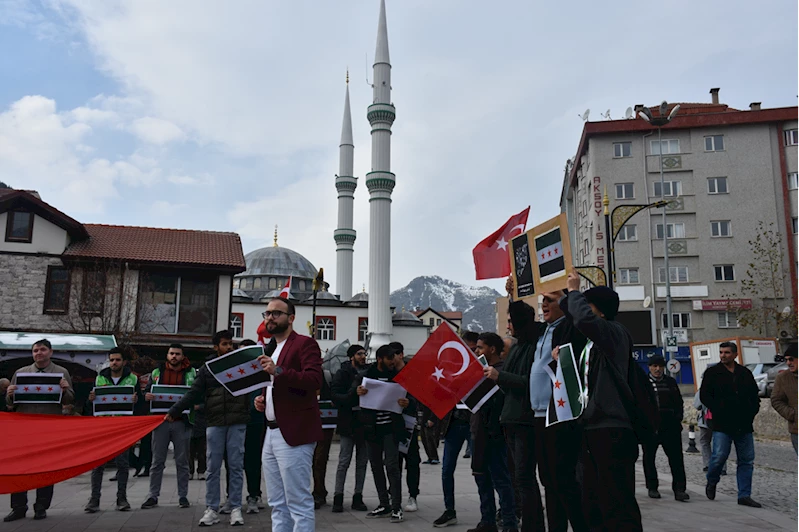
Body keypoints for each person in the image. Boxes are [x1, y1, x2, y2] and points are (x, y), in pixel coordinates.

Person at [558, 272, 642, 531]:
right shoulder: (593, 343)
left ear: (601, 312)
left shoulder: (615, 334)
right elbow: (575, 315)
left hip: (612, 428)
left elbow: (582, 317)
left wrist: (574, 291)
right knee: (593, 499)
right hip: (592, 427)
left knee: (617, 501)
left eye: (589, 306)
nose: (584, 314)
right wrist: (564, 293)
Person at [254, 297, 324, 532]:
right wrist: (264, 399)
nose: (270, 318)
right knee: (277, 503)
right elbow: (276, 384)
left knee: (298, 502)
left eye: (276, 313)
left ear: (291, 318)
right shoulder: (271, 348)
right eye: (267, 313)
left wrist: (278, 371)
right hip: (271, 431)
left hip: (295, 431)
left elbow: (314, 380)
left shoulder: (305, 344)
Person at [167, 330, 251, 527]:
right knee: (213, 467)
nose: (229, 347)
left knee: (236, 465)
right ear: (216, 347)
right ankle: (212, 508)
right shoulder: (208, 369)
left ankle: (236, 507)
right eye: (224, 344)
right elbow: (194, 392)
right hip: (214, 422)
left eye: (231, 343)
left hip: (237, 420)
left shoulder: (242, 365)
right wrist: (175, 410)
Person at [484, 297, 544, 532]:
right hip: (510, 420)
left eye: (510, 321)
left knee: (524, 479)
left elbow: (531, 383)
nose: (508, 326)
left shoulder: (535, 347)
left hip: (525, 420)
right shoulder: (518, 346)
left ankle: (532, 525)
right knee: (519, 479)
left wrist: (501, 378)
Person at [4, 339, 74, 522]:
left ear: (50, 352)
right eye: (35, 350)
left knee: (46, 467)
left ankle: (41, 505)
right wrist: (9, 395)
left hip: (49, 427)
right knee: (20, 467)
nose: (38, 353)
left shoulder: (61, 372)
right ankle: (18, 507)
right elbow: (10, 404)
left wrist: (65, 390)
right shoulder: (21, 373)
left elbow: (69, 401)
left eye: (42, 350)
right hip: (24, 428)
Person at [701, 341, 761, 507]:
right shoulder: (713, 373)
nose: (723, 355)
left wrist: (752, 412)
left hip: (744, 424)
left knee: (746, 460)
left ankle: (744, 495)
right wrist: (718, 408)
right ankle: (712, 480)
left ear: (735, 354)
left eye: (727, 352)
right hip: (722, 424)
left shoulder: (744, 373)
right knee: (719, 456)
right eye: (721, 352)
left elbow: (754, 396)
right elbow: (705, 396)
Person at [355, 344, 411, 523]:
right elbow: (348, 397)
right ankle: (383, 503)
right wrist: (358, 392)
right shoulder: (365, 376)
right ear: (380, 359)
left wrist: (406, 402)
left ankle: (396, 506)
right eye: (390, 359)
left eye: (394, 359)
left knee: (392, 467)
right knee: (376, 466)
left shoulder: (398, 377)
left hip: (391, 428)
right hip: (371, 429)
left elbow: (413, 399)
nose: (393, 362)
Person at [469, 332, 517, 532]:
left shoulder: (501, 371)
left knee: (501, 480)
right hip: (478, 432)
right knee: (481, 478)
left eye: (480, 347)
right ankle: (487, 521)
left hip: (496, 434)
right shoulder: (479, 371)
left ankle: (509, 523)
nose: (477, 351)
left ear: (493, 349)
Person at [140, 344, 196, 510]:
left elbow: (197, 393)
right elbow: (146, 393)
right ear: (167, 355)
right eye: (171, 353)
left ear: (182, 356)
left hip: (182, 422)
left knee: (182, 461)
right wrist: (146, 395)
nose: (174, 357)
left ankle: (183, 496)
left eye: (177, 354)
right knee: (157, 461)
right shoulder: (156, 373)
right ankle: (153, 496)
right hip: (161, 421)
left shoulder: (191, 372)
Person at [84, 347, 139, 513]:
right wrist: (90, 399)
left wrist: (137, 401)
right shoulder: (99, 378)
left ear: (124, 362)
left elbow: (141, 406)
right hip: (103, 427)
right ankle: (94, 500)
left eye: (117, 360)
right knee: (98, 464)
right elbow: (89, 406)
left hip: (123, 427)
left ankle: (121, 499)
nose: (114, 363)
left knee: (123, 464)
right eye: (112, 360)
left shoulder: (133, 379)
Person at [643, 355, 689, 502]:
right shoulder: (643, 383)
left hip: (670, 426)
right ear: (649, 367)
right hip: (650, 427)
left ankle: (679, 489)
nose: (657, 369)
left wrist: (678, 418)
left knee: (676, 459)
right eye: (654, 366)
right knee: (649, 458)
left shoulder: (670, 382)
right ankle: (652, 487)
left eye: (660, 366)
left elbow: (678, 402)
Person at [330, 344, 369, 513]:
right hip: (348, 422)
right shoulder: (342, 373)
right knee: (344, 461)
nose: (363, 356)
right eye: (359, 354)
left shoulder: (368, 372)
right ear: (351, 356)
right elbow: (336, 396)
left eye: (364, 353)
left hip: (365, 423)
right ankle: (338, 497)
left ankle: (358, 496)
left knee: (362, 462)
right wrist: (354, 392)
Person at [391, 342, 421, 514]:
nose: (391, 359)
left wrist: (411, 403)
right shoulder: (388, 373)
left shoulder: (413, 373)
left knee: (412, 461)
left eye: (393, 355)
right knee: (393, 461)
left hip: (409, 422)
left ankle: (413, 495)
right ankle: (393, 494)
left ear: (400, 355)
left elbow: (421, 397)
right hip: (392, 421)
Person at [237, 339, 266, 514]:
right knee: (233, 462)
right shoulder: (233, 373)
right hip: (234, 421)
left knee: (253, 460)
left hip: (255, 421)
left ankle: (254, 494)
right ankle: (231, 497)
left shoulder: (261, 374)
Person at [432, 405, 472, 528]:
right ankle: (449, 510)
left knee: (482, 469)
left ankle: (489, 514)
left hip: (474, 421)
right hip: (452, 423)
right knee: (447, 470)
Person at [312, 368, 336, 510]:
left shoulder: (326, 376)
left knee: (319, 460)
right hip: (304, 425)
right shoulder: (300, 374)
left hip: (324, 425)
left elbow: (334, 395)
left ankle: (319, 492)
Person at [692, 380, 726, 475]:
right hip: (722, 420)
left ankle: (707, 464)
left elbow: (697, 405)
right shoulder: (724, 387)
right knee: (720, 443)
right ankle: (722, 467)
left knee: (705, 441)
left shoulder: (703, 389)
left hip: (706, 420)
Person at [771, 343, 798, 454]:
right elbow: (776, 400)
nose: (788, 363)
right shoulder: (783, 378)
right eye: (786, 360)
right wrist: (793, 414)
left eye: (791, 359)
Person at [132, 372, 153, 478]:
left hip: (147, 413)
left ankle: (146, 466)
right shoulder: (131, 377)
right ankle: (138, 464)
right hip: (136, 414)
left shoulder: (153, 375)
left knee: (146, 443)